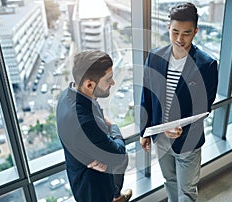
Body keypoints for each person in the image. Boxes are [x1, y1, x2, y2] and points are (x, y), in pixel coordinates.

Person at [140, 2, 218, 202]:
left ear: (195, 32)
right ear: (168, 28)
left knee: (187, 191)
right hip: (161, 138)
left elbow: (204, 107)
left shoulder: (206, 65)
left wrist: (180, 125)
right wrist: (145, 131)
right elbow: (146, 97)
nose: (180, 39)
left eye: (186, 33)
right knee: (170, 182)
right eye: (175, 32)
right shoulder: (155, 58)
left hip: (188, 141)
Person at [56, 50, 132, 202]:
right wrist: (113, 127)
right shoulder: (85, 123)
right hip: (95, 187)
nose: (113, 83)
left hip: (81, 170)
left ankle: (117, 197)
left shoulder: (67, 95)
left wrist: (91, 153)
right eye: (108, 79)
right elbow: (118, 155)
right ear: (89, 84)